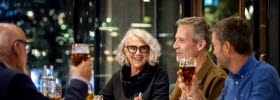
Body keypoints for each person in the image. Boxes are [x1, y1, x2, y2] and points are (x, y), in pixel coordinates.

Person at [188, 17, 280, 100]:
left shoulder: (264, 75)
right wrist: (196, 94)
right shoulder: (230, 80)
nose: (214, 52)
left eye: (215, 46)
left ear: (227, 47)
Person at [0, 23, 93, 100]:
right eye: (26, 47)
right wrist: (80, 79)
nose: (27, 54)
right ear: (17, 47)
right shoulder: (15, 80)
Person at [99, 28, 169, 100]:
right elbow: (101, 98)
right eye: (132, 48)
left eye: (143, 48)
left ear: (149, 51)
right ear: (125, 51)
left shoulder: (159, 74)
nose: (138, 53)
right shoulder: (118, 76)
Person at [170, 17, 227, 100]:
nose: (174, 46)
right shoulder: (185, 73)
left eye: (181, 40)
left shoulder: (218, 79)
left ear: (200, 45)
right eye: (176, 39)